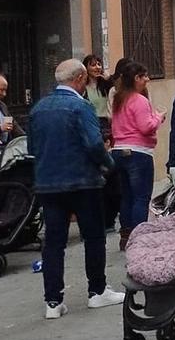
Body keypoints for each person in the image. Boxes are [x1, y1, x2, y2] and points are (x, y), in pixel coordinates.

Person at [28, 59, 117, 319]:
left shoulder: (38, 109)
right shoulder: (81, 107)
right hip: (83, 181)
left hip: (48, 183)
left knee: (54, 243)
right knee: (93, 236)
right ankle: (97, 291)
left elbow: (32, 148)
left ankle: (53, 302)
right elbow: (93, 144)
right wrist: (108, 165)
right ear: (79, 78)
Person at [107, 60, 163, 247]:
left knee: (127, 196)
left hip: (118, 151)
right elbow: (146, 127)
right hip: (139, 152)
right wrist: (158, 118)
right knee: (141, 197)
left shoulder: (119, 99)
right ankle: (140, 238)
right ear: (136, 78)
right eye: (144, 76)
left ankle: (126, 234)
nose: (147, 79)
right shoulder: (139, 100)